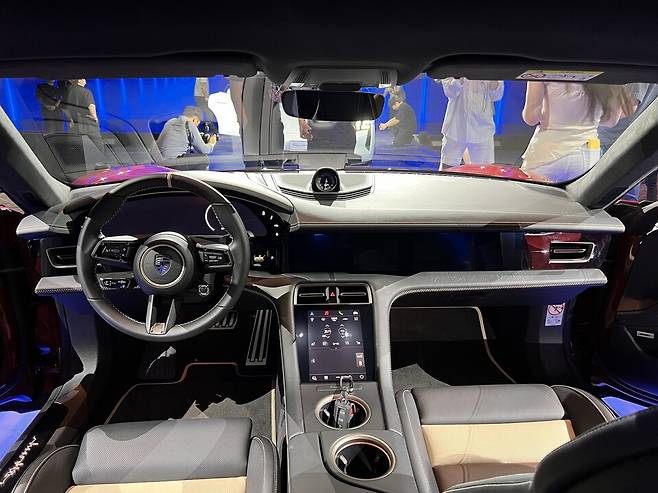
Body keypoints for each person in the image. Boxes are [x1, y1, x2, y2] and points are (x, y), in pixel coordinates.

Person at [521, 82, 634, 182]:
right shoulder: (608, 70)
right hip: (588, 155)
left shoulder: (544, 68)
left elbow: (531, 118)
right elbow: (611, 121)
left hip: (548, 153)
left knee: (530, 196)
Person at [599, 83, 658, 201]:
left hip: (616, 141)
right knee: (623, 199)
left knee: (617, 198)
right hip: (623, 140)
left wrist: (586, 117)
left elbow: (627, 108)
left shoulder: (638, 76)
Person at [439, 78, 504, 169]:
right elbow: (450, 92)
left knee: (484, 172)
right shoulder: (451, 68)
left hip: (483, 130)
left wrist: (492, 76)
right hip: (455, 129)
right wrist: (460, 75)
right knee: (448, 170)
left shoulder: (491, 68)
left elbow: (497, 96)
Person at [60, 79, 110, 161]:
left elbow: (64, 108)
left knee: (79, 148)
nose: (85, 80)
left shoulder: (68, 93)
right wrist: (94, 117)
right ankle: (99, 164)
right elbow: (91, 105)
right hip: (88, 124)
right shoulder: (86, 91)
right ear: (79, 80)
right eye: (83, 78)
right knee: (98, 145)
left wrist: (71, 119)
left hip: (76, 125)